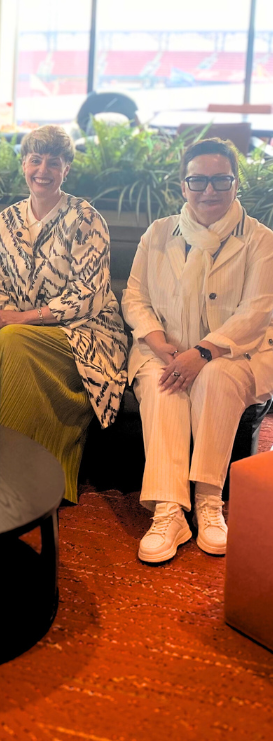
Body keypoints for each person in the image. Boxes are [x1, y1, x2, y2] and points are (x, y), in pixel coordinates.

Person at [0, 125, 128, 504]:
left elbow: (88, 296)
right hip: (17, 326)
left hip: (86, 331)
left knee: (15, 339)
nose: (43, 169)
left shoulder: (85, 217)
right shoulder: (5, 221)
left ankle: (24, 478)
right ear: (23, 164)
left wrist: (24, 319)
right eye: (35, 159)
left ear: (66, 169)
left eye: (54, 161)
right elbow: (0, 285)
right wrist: (6, 315)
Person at [122, 138, 273, 564]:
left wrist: (202, 354)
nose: (210, 191)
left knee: (216, 377)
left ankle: (209, 501)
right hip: (164, 349)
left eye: (220, 180)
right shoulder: (158, 233)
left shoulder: (261, 241)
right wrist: (157, 341)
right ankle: (170, 510)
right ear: (182, 185)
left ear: (235, 182)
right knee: (161, 383)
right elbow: (135, 296)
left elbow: (257, 311)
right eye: (199, 181)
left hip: (237, 356)